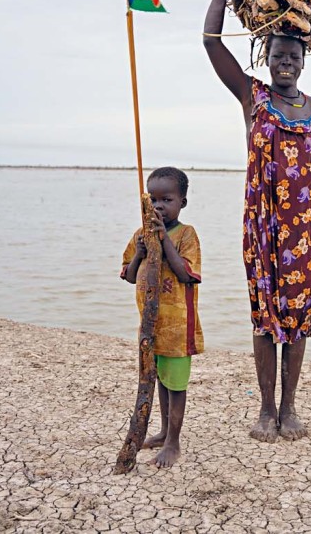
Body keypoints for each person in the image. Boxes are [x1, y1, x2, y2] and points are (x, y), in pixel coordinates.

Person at [203, 0, 311, 443]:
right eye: (278, 55)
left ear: (304, 61)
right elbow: (210, 43)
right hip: (264, 227)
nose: (286, 63)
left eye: (293, 57)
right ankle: (265, 410)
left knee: (299, 317)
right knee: (266, 317)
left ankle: (290, 410)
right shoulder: (253, 97)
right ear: (267, 57)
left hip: (310, 233)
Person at [120, 167, 203, 468]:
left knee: (175, 386)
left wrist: (163, 241)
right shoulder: (140, 235)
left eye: (166, 200)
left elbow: (187, 274)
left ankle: (173, 443)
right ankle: (163, 431)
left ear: (182, 202)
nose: (158, 207)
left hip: (177, 330)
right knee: (159, 382)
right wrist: (142, 251)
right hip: (150, 329)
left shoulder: (186, 235)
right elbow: (129, 276)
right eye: (153, 201)